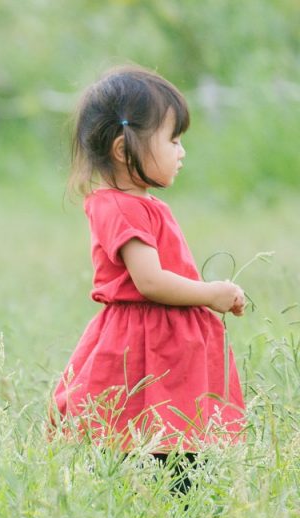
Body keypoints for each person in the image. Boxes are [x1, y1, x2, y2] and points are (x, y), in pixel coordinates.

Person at [53, 65, 246, 491]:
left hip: (162, 336)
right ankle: (170, 510)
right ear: (124, 149)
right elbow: (151, 282)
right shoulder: (121, 207)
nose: (181, 152)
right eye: (173, 140)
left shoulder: (139, 204)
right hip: (147, 337)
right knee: (158, 435)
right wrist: (210, 292)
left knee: (167, 431)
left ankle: (173, 510)